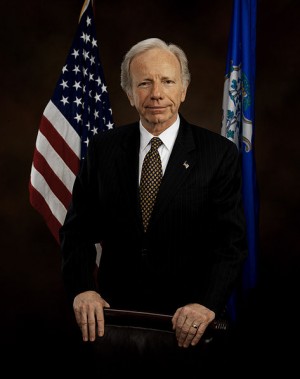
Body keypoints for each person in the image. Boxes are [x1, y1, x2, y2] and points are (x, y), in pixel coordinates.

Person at [60, 37, 248, 377]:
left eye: (167, 81)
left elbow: (230, 244)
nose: (156, 93)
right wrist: (82, 288)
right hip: (113, 323)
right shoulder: (104, 149)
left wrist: (206, 304)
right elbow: (77, 232)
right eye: (144, 82)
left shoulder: (218, 154)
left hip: (187, 325)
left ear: (184, 90)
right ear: (130, 93)